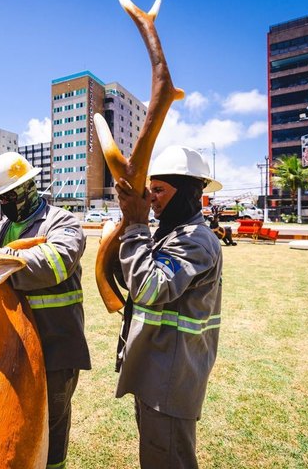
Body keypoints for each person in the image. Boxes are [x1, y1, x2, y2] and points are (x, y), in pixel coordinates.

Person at [0, 152, 90, 469]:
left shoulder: (63, 223)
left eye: (11, 194)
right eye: (2, 197)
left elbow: (56, 264)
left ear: (32, 186)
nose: (7, 202)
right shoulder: (2, 229)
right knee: (12, 423)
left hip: (53, 347)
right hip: (9, 348)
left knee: (50, 430)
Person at [113, 145, 223, 469]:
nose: (153, 198)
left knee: (168, 460)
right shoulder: (169, 235)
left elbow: (148, 288)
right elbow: (132, 278)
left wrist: (136, 225)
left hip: (171, 379)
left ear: (188, 192)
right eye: (151, 190)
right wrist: (129, 227)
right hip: (156, 369)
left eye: (160, 190)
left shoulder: (196, 240)